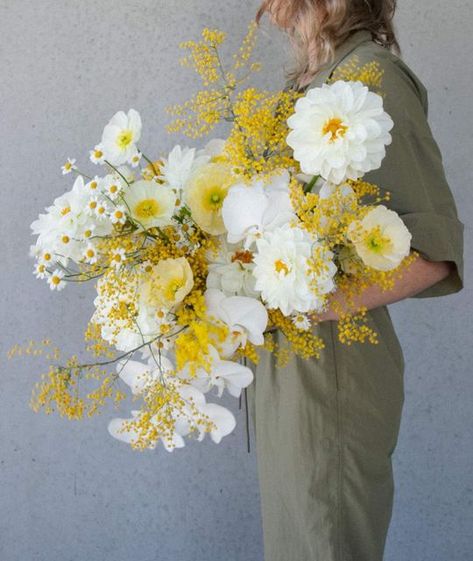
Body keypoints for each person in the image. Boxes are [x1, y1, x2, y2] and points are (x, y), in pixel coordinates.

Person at [247, 1, 465, 560]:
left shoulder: (372, 77)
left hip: (331, 372)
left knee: (326, 544)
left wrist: (305, 304)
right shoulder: (311, 82)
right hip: (285, 368)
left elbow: (434, 254)